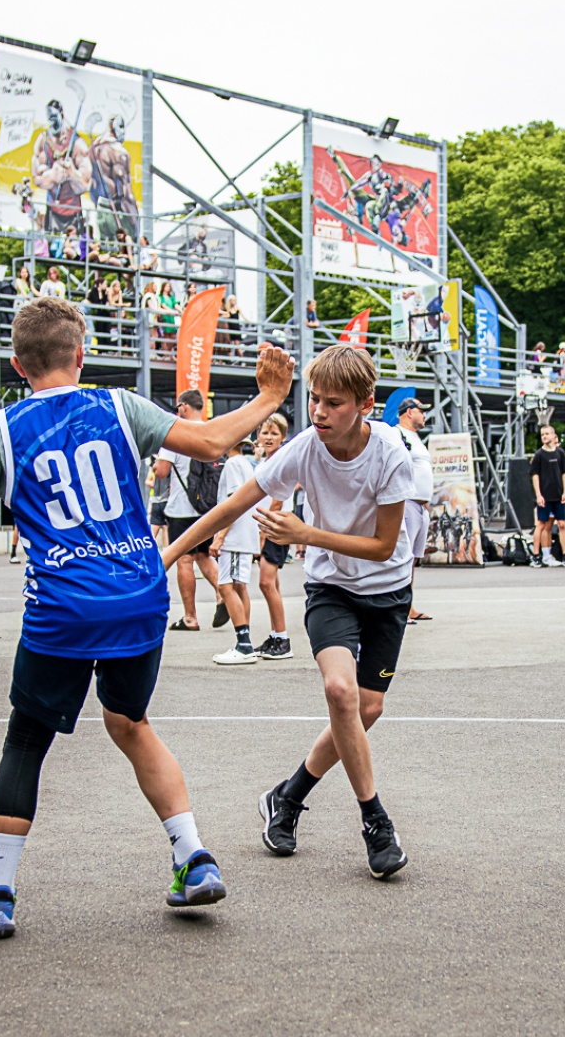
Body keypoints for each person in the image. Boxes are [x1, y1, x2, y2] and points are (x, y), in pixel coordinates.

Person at [0, 297, 292, 940]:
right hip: (139, 595)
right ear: (81, 355)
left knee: (26, 741)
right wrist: (269, 396)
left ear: (17, 365)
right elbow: (209, 441)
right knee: (131, 723)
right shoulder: (118, 406)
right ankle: (194, 856)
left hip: (63, 606)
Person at [167, 345, 424, 882]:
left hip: (388, 591)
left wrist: (307, 533)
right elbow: (233, 503)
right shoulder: (305, 448)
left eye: (334, 403)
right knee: (340, 692)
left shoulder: (390, 455)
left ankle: (286, 797)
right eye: (315, 400)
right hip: (332, 588)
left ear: (365, 405)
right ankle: (376, 823)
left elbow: (383, 546)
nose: (319, 412)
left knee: (366, 709)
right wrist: (166, 556)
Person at [153, 389, 215, 628]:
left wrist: (157, 462)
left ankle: (190, 617)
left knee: (185, 560)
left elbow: (161, 471)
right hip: (207, 508)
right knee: (204, 556)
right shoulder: (209, 432)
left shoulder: (177, 433)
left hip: (181, 509)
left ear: (184, 407)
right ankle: (225, 597)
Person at [209, 425, 270, 665]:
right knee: (238, 586)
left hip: (235, 536)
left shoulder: (234, 464)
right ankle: (244, 641)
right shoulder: (244, 464)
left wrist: (220, 535)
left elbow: (234, 504)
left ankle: (243, 644)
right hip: (242, 534)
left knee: (226, 586)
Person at [250, 414, 296, 658]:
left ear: (283, 437)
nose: (268, 437)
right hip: (269, 524)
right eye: (265, 433)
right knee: (272, 583)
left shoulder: (280, 461)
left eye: (274, 433)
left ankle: (282, 640)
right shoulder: (265, 462)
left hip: (276, 526)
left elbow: (277, 499)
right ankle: (276, 635)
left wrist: (263, 533)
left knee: (266, 582)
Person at [394, 397, 434, 621]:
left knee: (413, 559)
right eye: (421, 411)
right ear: (409, 412)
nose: (424, 415)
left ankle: (407, 605)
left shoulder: (415, 438)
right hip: (407, 502)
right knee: (403, 557)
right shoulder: (397, 434)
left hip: (420, 504)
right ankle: (398, 607)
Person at [528, 424, 565, 566]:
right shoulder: (539, 455)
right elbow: (535, 475)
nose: (544, 436)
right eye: (542, 434)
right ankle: (538, 555)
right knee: (542, 524)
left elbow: (564, 473)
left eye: (547, 434)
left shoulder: (560, 453)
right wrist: (539, 495)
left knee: (562, 524)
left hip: (558, 495)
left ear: (554, 435)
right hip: (545, 496)